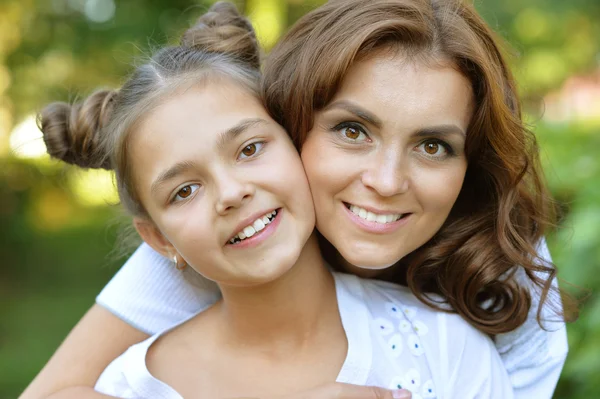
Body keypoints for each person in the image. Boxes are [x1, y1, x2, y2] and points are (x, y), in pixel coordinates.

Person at [22, 0, 573, 398]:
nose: (386, 180)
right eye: (353, 130)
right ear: (293, 124)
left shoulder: (501, 296)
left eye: (433, 145)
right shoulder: (200, 248)